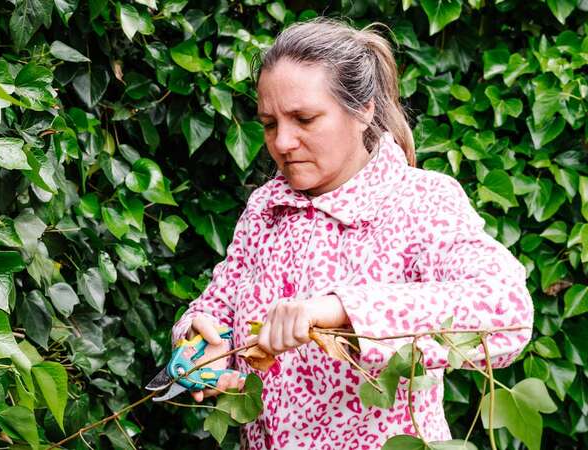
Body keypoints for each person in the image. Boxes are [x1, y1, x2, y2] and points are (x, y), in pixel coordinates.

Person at [170, 17, 533, 449]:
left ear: (363, 110)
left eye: (304, 118)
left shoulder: (419, 202)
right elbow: (220, 306)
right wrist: (198, 341)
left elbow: (507, 309)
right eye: (269, 123)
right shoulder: (266, 208)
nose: (282, 142)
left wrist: (340, 308)